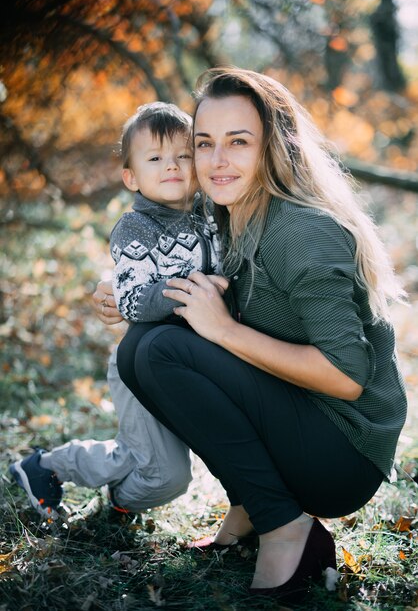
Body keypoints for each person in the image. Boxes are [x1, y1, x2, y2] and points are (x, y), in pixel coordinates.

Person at [115, 68, 408, 601]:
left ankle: (285, 525)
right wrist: (115, 291)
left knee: (160, 349)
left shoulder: (302, 231)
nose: (217, 160)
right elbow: (166, 262)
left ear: (275, 148)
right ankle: (252, 505)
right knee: (139, 346)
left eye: (239, 142)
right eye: (204, 143)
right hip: (297, 414)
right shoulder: (227, 214)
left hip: (343, 450)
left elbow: (346, 379)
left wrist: (224, 330)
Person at [10, 102, 220, 520]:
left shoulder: (211, 215)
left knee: (159, 465)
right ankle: (50, 467)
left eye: (183, 155)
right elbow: (133, 299)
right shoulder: (135, 229)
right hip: (140, 366)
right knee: (163, 474)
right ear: (131, 177)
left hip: (191, 363)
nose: (173, 166)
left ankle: (118, 496)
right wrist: (197, 290)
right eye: (156, 158)